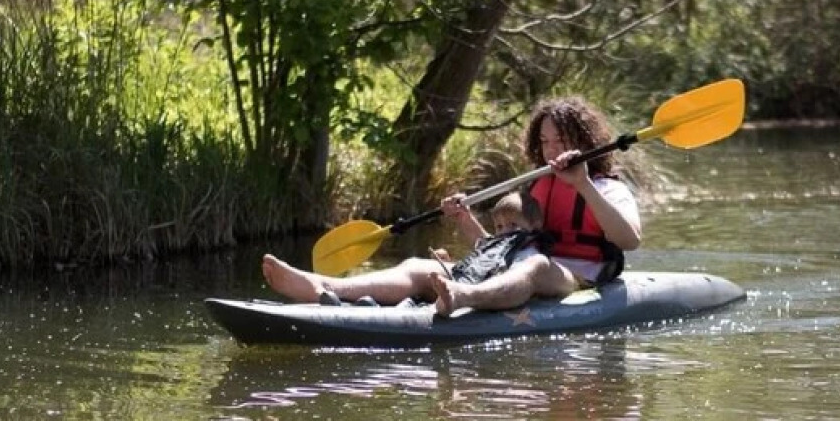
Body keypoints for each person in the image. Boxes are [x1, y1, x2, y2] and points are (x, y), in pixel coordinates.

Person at [261, 95, 642, 315]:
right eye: (545, 142)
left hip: (576, 277)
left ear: (584, 141)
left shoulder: (607, 188)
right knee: (419, 266)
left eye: (561, 141)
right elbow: (502, 248)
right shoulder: (537, 187)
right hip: (519, 267)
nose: (552, 150)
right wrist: (464, 218)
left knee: (535, 265)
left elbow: (629, 240)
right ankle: (323, 287)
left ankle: (462, 297)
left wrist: (583, 184)